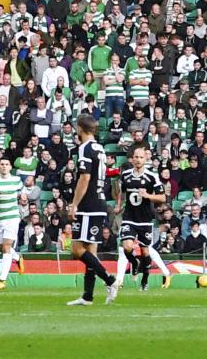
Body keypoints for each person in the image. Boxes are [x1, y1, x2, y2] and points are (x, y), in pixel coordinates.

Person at [65, 114, 115, 306]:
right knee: (91, 251)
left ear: (79, 129)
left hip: (89, 203)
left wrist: (75, 204)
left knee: (77, 249)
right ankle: (88, 295)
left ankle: (109, 280)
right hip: (100, 202)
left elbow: (84, 178)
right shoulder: (100, 148)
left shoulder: (85, 148)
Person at [116, 144, 173, 292]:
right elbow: (120, 190)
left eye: (141, 157)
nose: (138, 160)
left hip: (145, 219)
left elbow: (162, 197)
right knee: (127, 247)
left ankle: (145, 278)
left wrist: (148, 195)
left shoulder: (151, 176)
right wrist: (118, 204)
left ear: (146, 158)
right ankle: (134, 264)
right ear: (132, 159)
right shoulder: (125, 175)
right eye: (136, 157)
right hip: (129, 216)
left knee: (145, 252)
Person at [0, 153, 25, 291]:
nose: (4, 166)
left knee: (7, 245)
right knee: (3, 247)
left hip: (12, 216)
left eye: (6, 164)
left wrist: (24, 197)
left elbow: (23, 193)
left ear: (10, 167)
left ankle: (2, 279)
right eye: (2, 164)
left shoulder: (17, 180)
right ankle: (17, 257)